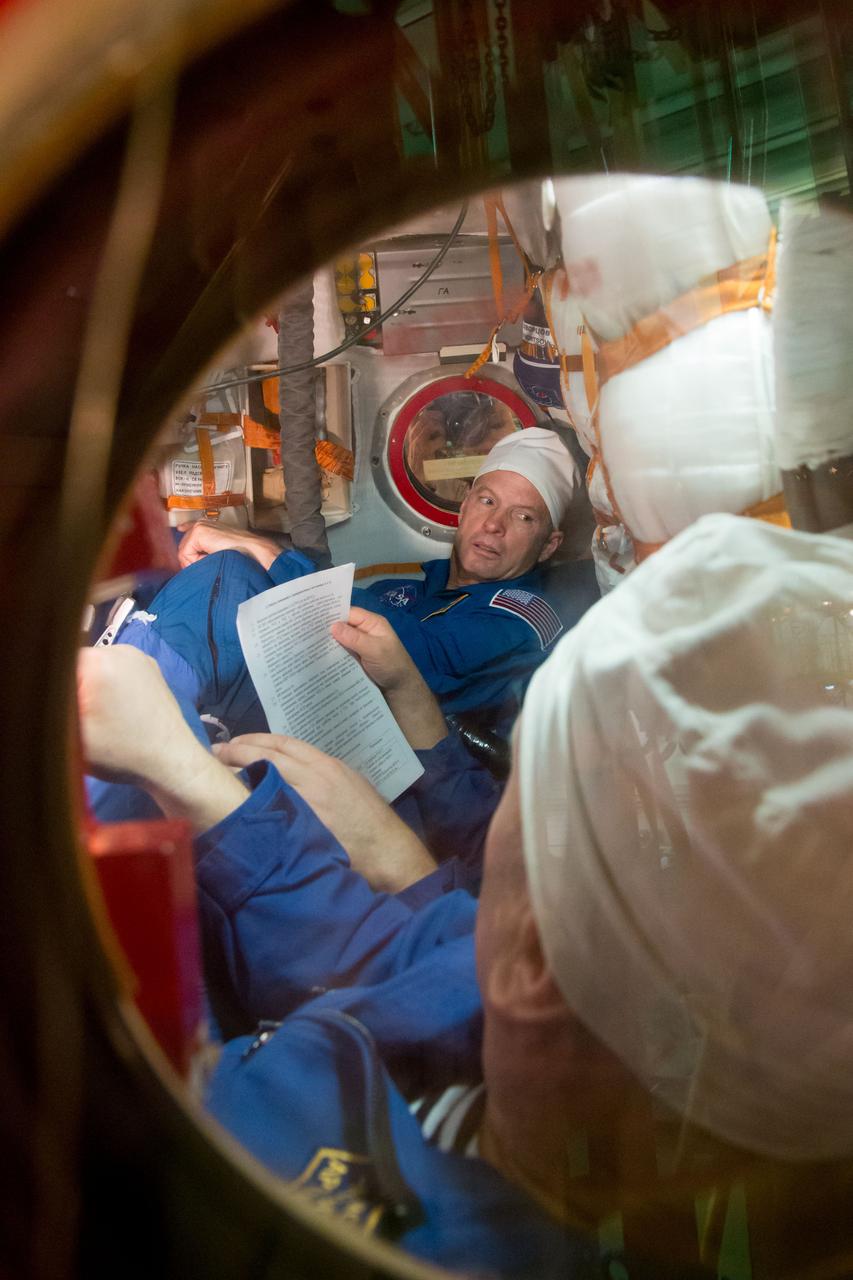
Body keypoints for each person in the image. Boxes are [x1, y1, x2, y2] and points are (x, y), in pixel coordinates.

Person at [78, 512, 853, 1278]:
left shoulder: (298, 1193)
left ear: (529, 964)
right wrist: (227, 804)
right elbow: (406, 955)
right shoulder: (607, 1021)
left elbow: (122, 1099)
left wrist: (178, 774)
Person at [168, 425, 588, 726]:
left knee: (231, 572)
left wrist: (268, 553)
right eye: (487, 501)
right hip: (287, 705)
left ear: (549, 545)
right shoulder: (402, 593)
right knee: (191, 552)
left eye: (523, 517)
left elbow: (418, 658)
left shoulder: (524, 619)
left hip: (386, 765)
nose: (495, 525)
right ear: (463, 510)